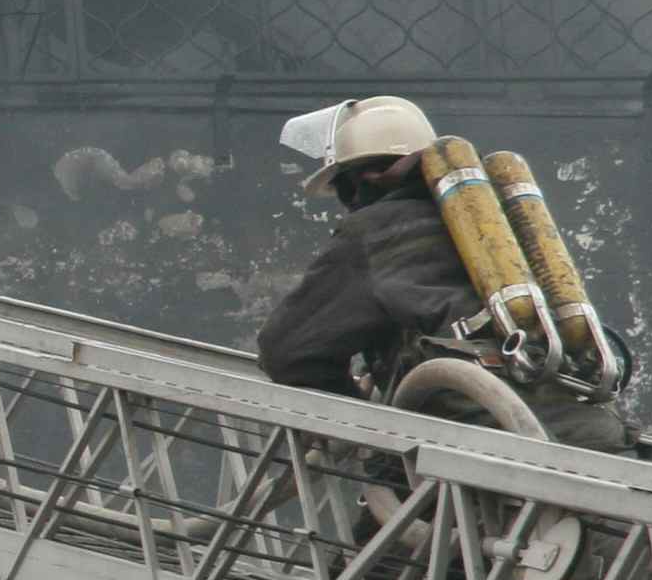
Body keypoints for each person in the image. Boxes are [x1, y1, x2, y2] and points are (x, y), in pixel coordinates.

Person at [255, 95, 631, 452]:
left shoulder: (376, 231)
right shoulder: (503, 224)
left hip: (476, 439)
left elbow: (288, 350)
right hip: (597, 434)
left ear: (363, 180)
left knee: (386, 513)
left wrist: (356, 415)